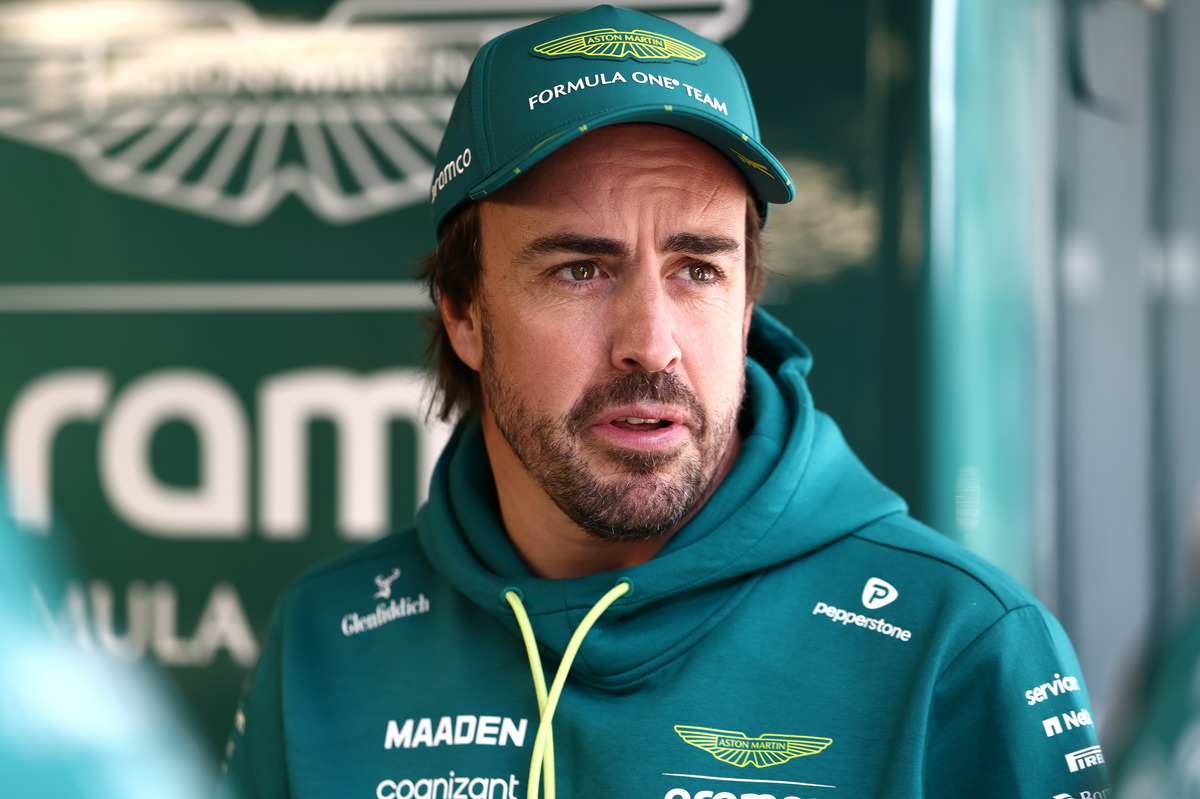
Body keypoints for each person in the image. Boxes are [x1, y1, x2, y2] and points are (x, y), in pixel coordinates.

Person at [220, 5, 1111, 798]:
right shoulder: (326, 646)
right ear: (464, 313)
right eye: (580, 269)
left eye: (697, 268)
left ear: (748, 300)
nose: (651, 341)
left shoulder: (960, 647)